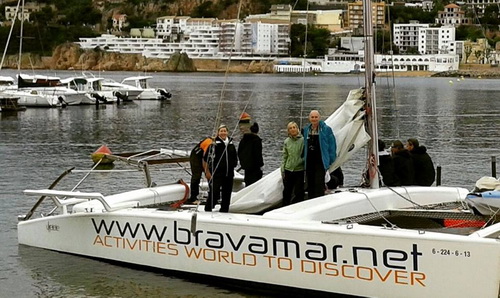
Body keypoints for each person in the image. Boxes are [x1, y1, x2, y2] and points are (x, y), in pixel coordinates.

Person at [203, 124, 238, 212]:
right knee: (214, 191)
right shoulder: (214, 144)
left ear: (227, 132)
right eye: (221, 131)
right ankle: (208, 208)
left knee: (227, 192)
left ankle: (224, 209)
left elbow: (234, 156)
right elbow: (206, 158)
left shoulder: (231, 144)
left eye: (224, 131)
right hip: (217, 173)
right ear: (218, 133)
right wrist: (207, 172)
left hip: (229, 173)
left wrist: (234, 164)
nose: (223, 133)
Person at [303, 110, 337, 199]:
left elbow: (332, 145)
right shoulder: (306, 130)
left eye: (316, 117)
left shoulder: (326, 129)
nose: (314, 119)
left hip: (321, 161)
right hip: (310, 161)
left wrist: (330, 159)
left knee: (319, 184)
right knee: (310, 184)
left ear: (319, 118)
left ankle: (319, 201)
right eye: (312, 117)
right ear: (309, 118)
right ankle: (310, 201)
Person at [281, 121, 305, 206]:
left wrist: (301, 161)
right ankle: (285, 206)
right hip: (288, 169)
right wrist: (282, 169)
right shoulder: (287, 141)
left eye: (294, 127)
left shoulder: (303, 140)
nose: (292, 129)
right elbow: (285, 156)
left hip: (299, 169)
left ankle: (298, 206)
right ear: (288, 131)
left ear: (297, 129)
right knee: (287, 190)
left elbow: (305, 154)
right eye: (290, 128)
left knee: (299, 191)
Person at [238, 122, 264, 186]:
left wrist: (243, 163)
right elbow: (258, 155)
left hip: (246, 167)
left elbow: (239, 152)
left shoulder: (243, 140)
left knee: (248, 183)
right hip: (255, 168)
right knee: (255, 185)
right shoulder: (257, 141)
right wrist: (260, 164)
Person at [188, 137, 213, 203]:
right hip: (197, 156)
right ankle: (193, 198)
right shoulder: (209, 142)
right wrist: (206, 171)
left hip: (207, 157)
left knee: (213, 175)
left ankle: (213, 196)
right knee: (197, 176)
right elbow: (205, 158)